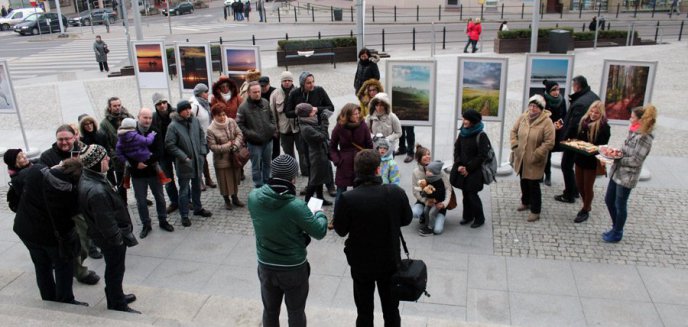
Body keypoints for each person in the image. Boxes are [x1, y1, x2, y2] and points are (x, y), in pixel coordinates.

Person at [334, 149, 412, 327]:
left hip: (361, 264)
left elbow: (340, 230)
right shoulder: (395, 192)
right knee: (391, 310)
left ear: (357, 170)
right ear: (378, 170)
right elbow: (407, 219)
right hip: (390, 261)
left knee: (364, 311)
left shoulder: (347, 198)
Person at [248, 154, 328, 326]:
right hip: (293, 268)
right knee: (296, 311)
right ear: (293, 178)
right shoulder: (296, 207)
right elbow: (320, 231)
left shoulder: (253, 197)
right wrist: (319, 213)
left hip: (266, 265)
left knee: (270, 311)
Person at [12, 158, 89, 306]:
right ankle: (65, 299)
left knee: (41, 266)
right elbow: (73, 216)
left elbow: (17, 179)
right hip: (52, 237)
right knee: (63, 266)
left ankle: (48, 298)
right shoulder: (71, 192)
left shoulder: (36, 171)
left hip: (25, 230)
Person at [78, 144, 140, 314]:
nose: (107, 159)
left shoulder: (93, 177)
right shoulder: (96, 190)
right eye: (104, 157)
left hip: (106, 235)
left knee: (115, 268)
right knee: (115, 269)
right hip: (111, 240)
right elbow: (106, 222)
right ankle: (117, 302)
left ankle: (116, 294)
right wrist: (119, 240)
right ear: (96, 162)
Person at [39, 125, 101, 285]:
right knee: (74, 243)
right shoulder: (47, 156)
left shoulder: (83, 151)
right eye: (60, 139)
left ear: (75, 137)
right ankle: (79, 272)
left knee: (85, 242)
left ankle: (74, 265)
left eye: (67, 138)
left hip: (81, 204)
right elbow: (46, 183)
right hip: (62, 210)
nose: (64, 142)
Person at [602, 105, 657, 243]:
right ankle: (615, 226)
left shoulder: (644, 137)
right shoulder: (634, 131)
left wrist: (617, 158)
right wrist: (615, 152)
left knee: (620, 204)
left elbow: (636, 160)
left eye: (632, 117)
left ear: (640, 120)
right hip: (617, 172)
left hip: (627, 176)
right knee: (609, 199)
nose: (629, 118)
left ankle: (617, 231)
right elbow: (626, 150)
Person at [119, 110, 175, 238]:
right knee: (141, 201)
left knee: (160, 198)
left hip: (153, 171)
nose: (148, 120)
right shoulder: (130, 132)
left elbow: (159, 151)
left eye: (150, 118)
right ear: (138, 117)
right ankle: (146, 224)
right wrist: (135, 164)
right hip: (137, 173)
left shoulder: (155, 131)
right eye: (145, 117)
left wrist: (145, 161)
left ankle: (163, 220)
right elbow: (124, 150)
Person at [284, 71, 336, 196]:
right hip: (305, 131)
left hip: (320, 129)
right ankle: (311, 185)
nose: (311, 85)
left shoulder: (319, 91)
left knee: (325, 158)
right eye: (308, 83)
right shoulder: (295, 93)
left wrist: (317, 109)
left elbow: (331, 107)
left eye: (313, 82)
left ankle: (330, 185)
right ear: (302, 84)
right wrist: (302, 112)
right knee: (308, 159)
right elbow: (288, 112)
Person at [165, 100, 213, 227]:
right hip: (184, 164)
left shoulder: (195, 121)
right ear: (179, 112)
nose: (188, 111)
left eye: (189, 109)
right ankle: (184, 215)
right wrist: (184, 157)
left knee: (197, 186)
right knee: (184, 190)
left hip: (197, 161)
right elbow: (170, 145)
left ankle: (198, 208)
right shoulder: (173, 126)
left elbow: (202, 136)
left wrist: (202, 152)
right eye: (185, 109)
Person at [511, 95, 555, 222]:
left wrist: (537, 154)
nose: (532, 108)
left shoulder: (547, 122)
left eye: (535, 106)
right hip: (521, 157)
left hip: (536, 159)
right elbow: (513, 131)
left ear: (541, 108)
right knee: (523, 180)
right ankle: (525, 202)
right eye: (530, 105)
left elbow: (549, 142)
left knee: (533, 184)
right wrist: (515, 145)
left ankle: (535, 210)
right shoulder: (523, 117)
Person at [556, 75, 600, 203]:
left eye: (573, 86)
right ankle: (574, 190)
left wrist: (563, 141)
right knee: (573, 166)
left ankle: (570, 193)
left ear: (577, 87)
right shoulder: (593, 96)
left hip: (575, 141)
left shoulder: (580, 103)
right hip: (587, 141)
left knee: (566, 165)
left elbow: (573, 125)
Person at [573, 101, 611, 223]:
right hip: (580, 158)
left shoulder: (604, 127)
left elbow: (602, 146)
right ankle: (586, 204)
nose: (593, 114)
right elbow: (578, 138)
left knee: (587, 186)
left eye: (596, 113)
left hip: (592, 161)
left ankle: (586, 208)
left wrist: (589, 147)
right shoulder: (584, 122)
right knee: (579, 185)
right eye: (592, 111)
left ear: (601, 113)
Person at [329, 103, 373, 206]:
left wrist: (367, 162)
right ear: (348, 115)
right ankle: (337, 218)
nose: (357, 116)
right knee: (340, 193)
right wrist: (337, 161)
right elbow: (332, 147)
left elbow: (369, 145)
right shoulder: (339, 127)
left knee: (360, 193)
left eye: (358, 113)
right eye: (354, 114)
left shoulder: (363, 125)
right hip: (344, 164)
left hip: (361, 163)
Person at [453, 109, 490, 228]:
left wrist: (468, 168)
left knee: (472, 195)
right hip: (462, 168)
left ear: (473, 121)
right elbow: (457, 149)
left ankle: (479, 218)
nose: (464, 121)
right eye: (463, 118)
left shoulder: (481, 135)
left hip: (474, 171)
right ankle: (467, 216)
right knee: (465, 194)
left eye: (466, 119)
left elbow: (482, 155)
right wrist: (459, 164)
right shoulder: (462, 132)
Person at [206, 103, 246, 210]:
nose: (222, 117)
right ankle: (226, 200)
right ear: (214, 116)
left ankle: (235, 197)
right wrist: (228, 145)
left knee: (234, 178)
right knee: (224, 180)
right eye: (219, 115)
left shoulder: (231, 122)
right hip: (221, 159)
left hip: (234, 157)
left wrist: (236, 145)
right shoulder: (210, 129)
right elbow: (213, 147)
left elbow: (239, 134)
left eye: (223, 114)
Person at [237, 82, 276, 188]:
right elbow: (239, 124)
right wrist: (250, 134)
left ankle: (267, 184)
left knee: (268, 164)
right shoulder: (243, 107)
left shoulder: (265, 102)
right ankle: (258, 186)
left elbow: (272, 117)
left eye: (259, 91)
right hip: (254, 143)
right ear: (249, 93)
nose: (257, 94)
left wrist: (272, 128)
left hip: (268, 141)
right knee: (256, 166)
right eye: (254, 92)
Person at [116, 117, 171, 189]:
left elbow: (119, 152)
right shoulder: (135, 136)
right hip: (143, 155)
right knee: (156, 164)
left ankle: (126, 182)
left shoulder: (120, 139)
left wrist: (126, 160)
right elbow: (147, 141)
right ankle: (163, 178)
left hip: (132, 158)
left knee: (127, 167)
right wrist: (151, 135)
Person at [270, 71, 307, 176]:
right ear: (281, 81)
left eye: (289, 80)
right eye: (285, 80)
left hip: (298, 128)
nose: (287, 82)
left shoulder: (299, 92)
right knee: (288, 153)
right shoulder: (275, 94)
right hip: (284, 129)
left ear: (292, 81)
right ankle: (293, 171)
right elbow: (272, 114)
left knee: (302, 151)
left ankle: (305, 171)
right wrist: (275, 129)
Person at [411, 144, 452, 235]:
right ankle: (425, 217)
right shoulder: (416, 172)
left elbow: (448, 189)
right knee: (414, 213)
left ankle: (439, 217)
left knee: (437, 230)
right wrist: (426, 201)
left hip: (439, 202)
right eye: (425, 155)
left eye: (429, 154)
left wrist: (444, 204)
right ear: (418, 158)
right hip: (425, 200)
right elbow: (415, 191)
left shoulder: (437, 170)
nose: (428, 156)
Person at [100, 96, 134, 203]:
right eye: (114, 106)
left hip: (133, 154)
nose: (117, 108)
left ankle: (141, 197)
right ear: (109, 107)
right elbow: (106, 142)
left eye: (119, 105)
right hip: (118, 157)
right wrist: (115, 155)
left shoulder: (129, 117)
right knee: (122, 181)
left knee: (137, 179)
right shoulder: (105, 123)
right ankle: (123, 201)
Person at [297, 103, 332, 205]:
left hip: (319, 153)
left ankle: (320, 199)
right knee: (314, 181)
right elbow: (322, 136)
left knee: (319, 179)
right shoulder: (306, 127)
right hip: (316, 155)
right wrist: (325, 122)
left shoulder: (309, 122)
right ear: (306, 114)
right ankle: (307, 202)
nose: (315, 112)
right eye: (312, 111)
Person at [152, 93, 180, 214]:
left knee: (182, 177)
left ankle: (186, 200)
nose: (162, 106)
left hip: (177, 151)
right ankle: (174, 202)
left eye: (164, 102)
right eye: (159, 104)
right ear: (156, 106)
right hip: (163, 154)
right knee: (168, 180)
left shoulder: (175, 113)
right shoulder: (153, 117)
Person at [190, 83, 217, 190]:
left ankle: (208, 178)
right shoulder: (194, 105)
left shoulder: (205, 103)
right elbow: (190, 121)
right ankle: (199, 180)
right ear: (200, 94)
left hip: (205, 135)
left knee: (204, 157)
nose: (207, 94)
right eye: (205, 92)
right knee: (199, 159)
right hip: (197, 137)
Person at [542, 79, 567, 186]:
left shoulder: (562, 100)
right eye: (554, 90)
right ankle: (546, 174)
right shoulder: (543, 100)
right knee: (546, 153)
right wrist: (550, 125)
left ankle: (547, 175)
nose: (556, 92)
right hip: (546, 130)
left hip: (558, 131)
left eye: (558, 89)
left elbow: (565, 115)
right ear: (548, 91)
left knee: (551, 151)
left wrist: (560, 123)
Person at [260, 76, 279, 160]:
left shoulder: (275, 91)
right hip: (262, 124)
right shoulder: (258, 93)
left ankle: (275, 162)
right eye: (262, 86)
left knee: (276, 145)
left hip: (273, 123)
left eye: (265, 85)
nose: (263, 88)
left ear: (269, 84)